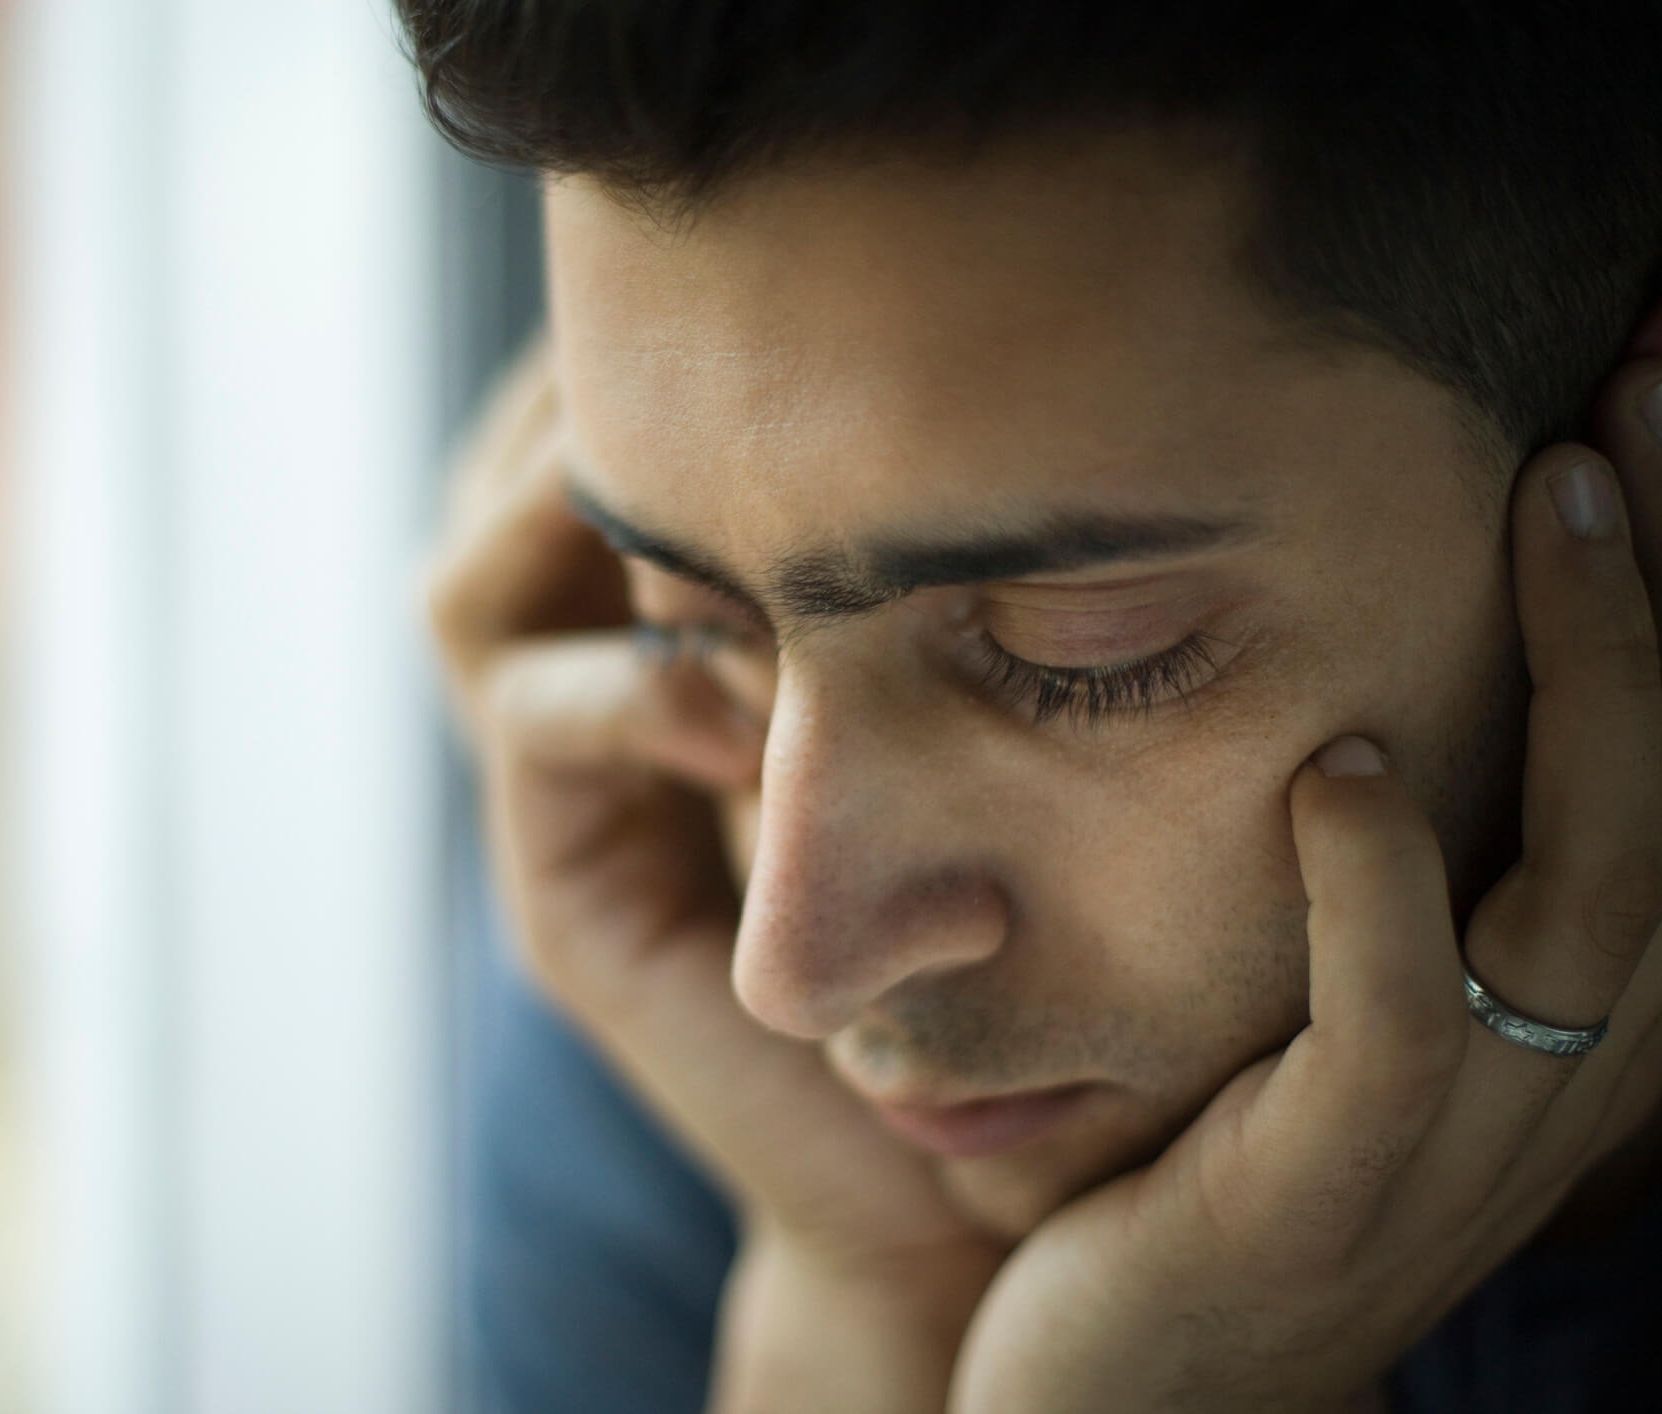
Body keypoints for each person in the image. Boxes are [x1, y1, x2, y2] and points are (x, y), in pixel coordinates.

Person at [409, 4, 1662, 1409]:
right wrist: (860, 1286)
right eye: (693, 622)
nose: (795, 967)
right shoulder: (677, 1023)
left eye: (1079, 652)